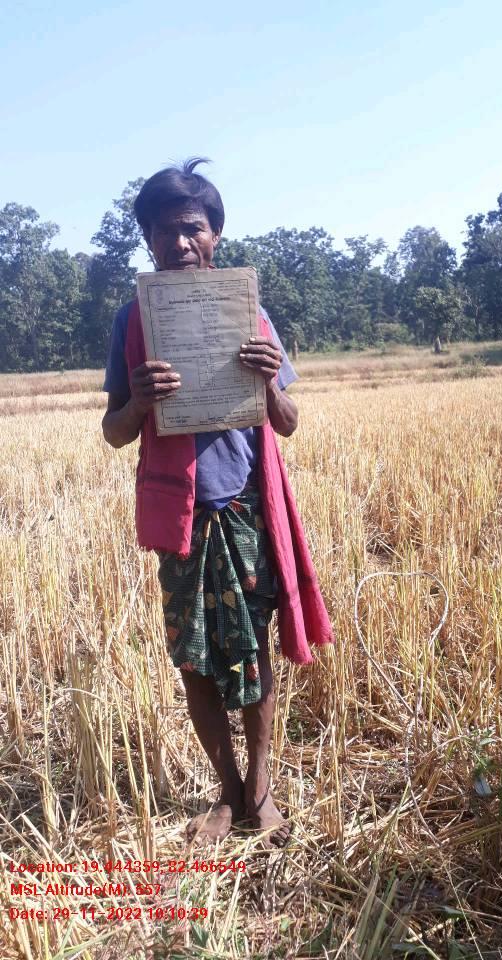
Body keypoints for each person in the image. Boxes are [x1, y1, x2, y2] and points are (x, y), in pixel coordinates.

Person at [102, 158, 334, 847]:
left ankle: (260, 791)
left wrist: (267, 383)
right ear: (147, 239)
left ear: (215, 234)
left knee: (254, 652)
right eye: (163, 231)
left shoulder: (248, 312)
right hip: (182, 517)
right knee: (195, 659)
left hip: (246, 510)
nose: (178, 243)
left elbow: (287, 422)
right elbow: (114, 432)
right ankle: (226, 792)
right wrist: (141, 402)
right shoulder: (133, 322)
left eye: (192, 229)